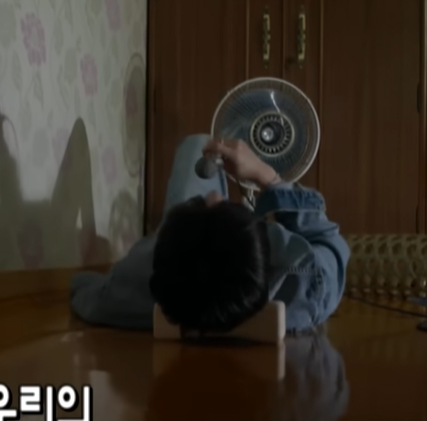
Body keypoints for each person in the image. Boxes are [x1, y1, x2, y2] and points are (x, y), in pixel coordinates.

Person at [70, 134, 351, 334]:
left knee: (198, 146)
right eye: (223, 207)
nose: (215, 195)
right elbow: (329, 241)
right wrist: (267, 176)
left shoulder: (135, 276)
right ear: (261, 240)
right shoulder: (308, 279)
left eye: (200, 205)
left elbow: (84, 289)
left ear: (165, 242)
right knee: (202, 146)